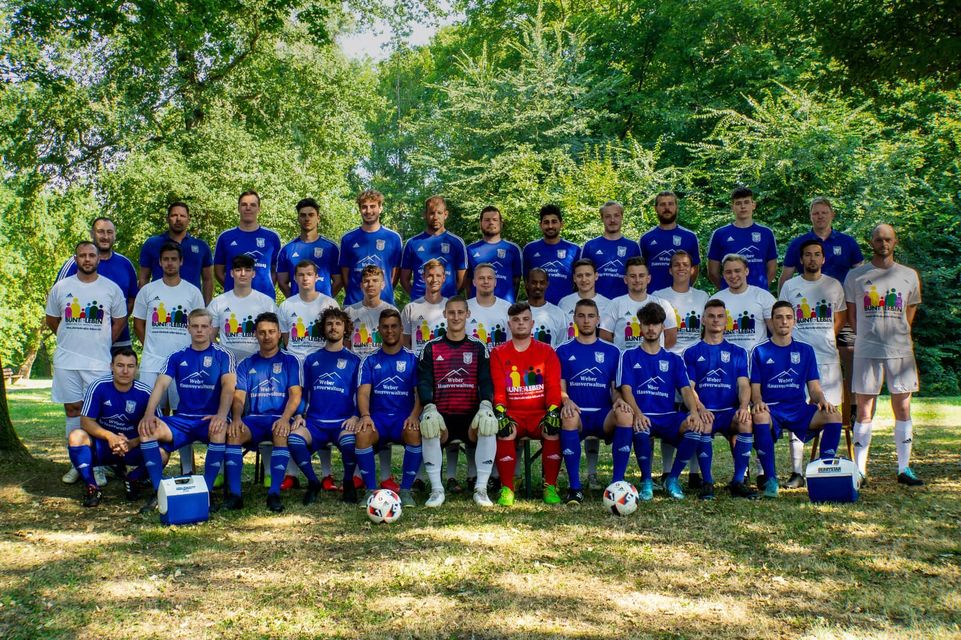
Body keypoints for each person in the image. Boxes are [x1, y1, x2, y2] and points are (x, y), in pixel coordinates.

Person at [843, 224, 923, 485]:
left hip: (900, 350)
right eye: (879, 239)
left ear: (895, 242)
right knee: (864, 409)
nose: (883, 243)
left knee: (902, 406)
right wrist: (870, 335)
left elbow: (909, 313)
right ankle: (859, 470)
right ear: (872, 242)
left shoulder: (908, 275)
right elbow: (852, 317)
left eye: (888, 239)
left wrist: (896, 332)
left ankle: (903, 468)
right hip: (867, 350)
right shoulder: (856, 276)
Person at [136, 308, 236, 512]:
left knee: (219, 430)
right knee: (147, 430)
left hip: (209, 419)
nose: (200, 330)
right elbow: (161, 385)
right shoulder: (177, 356)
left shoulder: (223, 355)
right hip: (182, 420)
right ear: (188, 328)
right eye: (195, 326)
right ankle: (159, 492)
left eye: (204, 326)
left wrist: (221, 414)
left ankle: (206, 493)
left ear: (211, 329)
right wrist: (148, 415)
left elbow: (229, 387)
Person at [47, 241, 128, 486]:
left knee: (97, 414)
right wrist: (69, 340)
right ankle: (77, 463)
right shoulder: (61, 287)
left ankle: (99, 465)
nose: (87, 259)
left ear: (98, 259)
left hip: (97, 362)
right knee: (72, 411)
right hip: (66, 361)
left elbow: (120, 321)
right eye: (82, 255)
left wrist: (101, 342)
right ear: (76, 258)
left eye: (91, 255)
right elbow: (52, 320)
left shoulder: (111, 289)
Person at [750, 301, 844, 498]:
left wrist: (822, 400)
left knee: (834, 416)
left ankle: (824, 472)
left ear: (794, 321)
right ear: (772, 322)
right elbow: (755, 389)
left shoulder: (805, 350)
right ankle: (771, 480)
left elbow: (814, 387)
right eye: (779, 317)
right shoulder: (759, 351)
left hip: (798, 408)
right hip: (772, 409)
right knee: (758, 417)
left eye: (788, 317)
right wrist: (758, 402)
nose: (784, 321)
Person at [616, 303, 706, 501]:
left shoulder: (673, 359)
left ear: (662, 327)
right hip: (643, 414)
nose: (651, 328)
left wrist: (693, 411)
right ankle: (647, 481)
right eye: (647, 324)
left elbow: (685, 389)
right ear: (640, 326)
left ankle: (672, 479)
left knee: (695, 428)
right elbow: (626, 389)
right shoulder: (629, 356)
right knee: (641, 428)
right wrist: (638, 412)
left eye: (655, 324)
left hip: (668, 417)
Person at [132, 241, 206, 474]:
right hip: (152, 361)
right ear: (160, 262)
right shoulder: (148, 291)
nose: (170, 263)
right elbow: (139, 323)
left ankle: (187, 469)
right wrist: (151, 346)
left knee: (182, 415)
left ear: (181, 261)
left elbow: (199, 326)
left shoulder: (192, 292)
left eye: (174, 259)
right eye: (166, 259)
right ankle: (151, 468)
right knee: (149, 413)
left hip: (183, 365)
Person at [778, 238, 846, 487]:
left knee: (831, 413)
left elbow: (839, 319)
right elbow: (783, 319)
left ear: (824, 258)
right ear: (801, 259)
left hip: (827, 359)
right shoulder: (789, 286)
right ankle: (797, 472)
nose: (812, 259)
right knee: (798, 414)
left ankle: (824, 468)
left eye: (817, 254)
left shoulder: (834, 285)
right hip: (797, 361)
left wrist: (824, 338)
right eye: (807, 255)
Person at [417, 298, 498, 507]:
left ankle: (481, 489)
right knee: (428, 423)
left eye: (460, 312)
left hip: (470, 417)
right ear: (445, 314)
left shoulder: (478, 347)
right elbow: (424, 381)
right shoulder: (431, 347)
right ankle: (436, 490)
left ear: (467, 314)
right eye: (451, 312)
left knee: (488, 423)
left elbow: (486, 380)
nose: (455, 317)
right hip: (442, 415)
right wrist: (429, 406)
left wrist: (486, 405)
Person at [225, 312, 303, 512]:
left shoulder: (290, 361)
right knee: (234, 434)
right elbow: (239, 397)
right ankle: (235, 495)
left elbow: (296, 394)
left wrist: (286, 419)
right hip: (254, 420)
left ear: (279, 334)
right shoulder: (246, 364)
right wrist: (235, 418)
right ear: (256, 336)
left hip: (279, 417)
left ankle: (274, 494)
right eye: (262, 332)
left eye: (271, 331)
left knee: (280, 432)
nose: (267, 336)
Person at [490, 302, 564, 506]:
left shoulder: (547, 351)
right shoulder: (498, 353)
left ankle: (550, 486)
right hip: (513, 413)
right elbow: (498, 388)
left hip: (540, 413)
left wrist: (552, 411)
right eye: (516, 320)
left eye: (525, 320)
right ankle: (507, 488)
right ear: (509, 325)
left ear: (532, 324)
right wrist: (500, 412)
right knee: (505, 431)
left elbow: (552, 387)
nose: (521, 323)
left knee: (553, 430)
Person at [684, 299, 757, 499]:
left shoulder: (738, 352)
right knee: (704, 424)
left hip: (728, 411)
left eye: (720, 316)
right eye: (711, 316)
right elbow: (689, 387)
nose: (716, 320)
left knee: (746, 420)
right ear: (703, 321)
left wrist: (743, 407)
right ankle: (707, 482)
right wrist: (700, 408)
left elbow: (743, 384)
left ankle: (739, 481)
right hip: (706, 410)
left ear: (726, 321)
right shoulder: (691, 352)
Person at [556, 299, 626, 504]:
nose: (586, 321)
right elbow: (560, 388)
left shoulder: (612, 351)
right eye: (581, 316)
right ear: (574, 319)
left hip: (603, 414)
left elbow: (615, 389)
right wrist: (566, 401)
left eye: (590, 316)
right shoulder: (562, 350)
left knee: (625, 414)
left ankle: (617, 485)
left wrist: (619, 400)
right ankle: (575, 487)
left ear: (598, 319)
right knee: (568, 418)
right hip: (578, 413)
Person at [68, 348, 157, 506]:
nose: (125, 371)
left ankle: (133, 479)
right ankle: (92, 486)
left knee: (162, 452)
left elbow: (157, 427)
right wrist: (110, 436)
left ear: (136, 368)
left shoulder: (145, 392)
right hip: (104, 445)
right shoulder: (99, 386)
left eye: (130, 366)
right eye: (120, 365)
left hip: (132, 446)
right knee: (76, 436)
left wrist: (132, 442)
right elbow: (86, 421)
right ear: (111, 366)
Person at [293, 308, 363, 504]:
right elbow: (304, 392)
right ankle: (313, 482)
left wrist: (356, 415)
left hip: (343, 422)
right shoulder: (311, 359)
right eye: (329, 323)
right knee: (294, 440)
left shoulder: (355, 360)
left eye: (338, 323)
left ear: (345, 328)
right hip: (315, 423)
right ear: (323, 328)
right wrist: (299, 414)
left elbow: (361, 394)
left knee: (351, 444)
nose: (334, 327)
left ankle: (348, 482)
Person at [356, 309, 423, 507]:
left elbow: (420, 393)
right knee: (363, 434)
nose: (390, 330)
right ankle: (370, 491)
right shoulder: (369, 360)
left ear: (402, 329)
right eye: (385, 327)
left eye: (394, 326)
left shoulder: (413, 359)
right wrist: (365, 415)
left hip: (403, 418)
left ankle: (406, 490)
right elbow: (363, 393)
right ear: (379, 330)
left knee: (413, 431)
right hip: (378, 418)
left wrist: (414, 416)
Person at [56, 217, 138, 348]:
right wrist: (69, 337)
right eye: (100, 232)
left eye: (109, 232)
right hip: (81, 345)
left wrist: (114, 332)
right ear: (92, 234)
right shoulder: (74, 264)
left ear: (115, 235)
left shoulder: (125, 264)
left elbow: (131, 300)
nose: (105, 236)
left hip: (120, 343)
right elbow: (55, 302)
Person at [207, 255, 280, 364]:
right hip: (227, 366)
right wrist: (221, 358)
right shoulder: (218, 303)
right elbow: (209, 335)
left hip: (259, 365)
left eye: (247, 270)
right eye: (238, 270)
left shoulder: (267, 303)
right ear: (231, 273)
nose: (243, 274)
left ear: (253, 273)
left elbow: (276, 335)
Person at [779, 197, 864, 290]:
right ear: (810, 217)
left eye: (824, 212)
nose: (820, 216)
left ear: (832, 215)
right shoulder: (797, 244)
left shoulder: (848, 242)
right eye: (816, 213)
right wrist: (781, 303)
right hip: (806, 300)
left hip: (841, 300)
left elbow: (861, 276)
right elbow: (785, 278)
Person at [138, 201, 214, 303]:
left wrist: (207, 308)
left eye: (182, 216)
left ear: (188, 220)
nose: (178, 219)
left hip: (192, 305)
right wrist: (144, 304)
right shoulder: (152, 244)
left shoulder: (201, 246)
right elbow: (143, 278)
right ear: (167, 219)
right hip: (159, 303)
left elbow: (208, 279)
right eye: (174, 215)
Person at [339, 189, 403, 306]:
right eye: (364, 207)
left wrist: (382, 292)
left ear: (380, 208)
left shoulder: (393, 238)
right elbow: (345, 274)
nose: (368, 211)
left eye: (372, 206)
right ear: (359, 209)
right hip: (354, 304)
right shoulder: (348, 238)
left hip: (384, 304)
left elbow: (394, 275)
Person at [213, 190, 282, 297]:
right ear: (238, 208)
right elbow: (218, 272)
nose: (248, 208)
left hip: (264, 299)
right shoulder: (225, 237)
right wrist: (232, 287)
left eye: (253, 205)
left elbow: (277, 271)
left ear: (259, 209)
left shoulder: (272, 237)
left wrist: (265, 288)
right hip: (233, 299)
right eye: (244, 204)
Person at [707, 187, 777, 291]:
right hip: (730, 295)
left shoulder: (766, 233)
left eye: (746, 202)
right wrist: (726, 289)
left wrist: (761, 289)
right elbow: (713, 272)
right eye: (738, 203)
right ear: (732, 207)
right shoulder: (720, 234)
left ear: (753, 205)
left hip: (758, 295)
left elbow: (772, 269)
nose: (743, 206)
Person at [599, 257, 677, 351]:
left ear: (648, 279)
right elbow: (604, 336)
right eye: (632, 276)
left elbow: (671, 337)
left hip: (654, 363)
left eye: (641, 276)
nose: (637, 280)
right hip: (626, 363)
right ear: (625, 279)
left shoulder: (663, 304)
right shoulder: (615, 304)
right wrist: (620, 355)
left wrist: (655, 354)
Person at [400, 195, 467, 299]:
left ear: (445, 214)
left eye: (439, 213)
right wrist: (417, 297)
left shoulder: (456, 242)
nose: (435, 217)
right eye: (431, 213)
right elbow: (404, 279)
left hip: (447, 305)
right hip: (420, 303)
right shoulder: (412, 243)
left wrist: (449, 297)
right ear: (425, 215)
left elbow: (462, 280)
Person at [277, 197, 341, 298]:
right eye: (303, 215)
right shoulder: (287, 249)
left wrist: (326, 300)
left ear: (318, 218)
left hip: (323, 308)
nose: (307, 218)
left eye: (311, 215)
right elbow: (282, 282)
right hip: (298, 308)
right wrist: (294, 301)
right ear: (298, 218)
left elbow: (338, 281)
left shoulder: (331, 248)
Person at [711, 255, 776, 354]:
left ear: (746, 271)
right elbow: (710, 336)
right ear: (723, 275)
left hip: (757, 359)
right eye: (728, 272)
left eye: (737, 271)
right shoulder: (715, 300)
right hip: (726, 358)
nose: (733, 276)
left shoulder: (763, 296)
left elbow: (777, 331)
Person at [639, 191, 701, 294]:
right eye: (662, 204)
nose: (667, 208)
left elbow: (694, 269)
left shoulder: (690, 237)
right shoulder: (646, 238)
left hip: (681, 297)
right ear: (656, 208)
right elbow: (641, 269)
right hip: (652, 296)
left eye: (670, 204)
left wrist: (684, 290)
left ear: (676, 207)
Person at [278, 260, 339, 360]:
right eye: (301, 275)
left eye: (309, 274)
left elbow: (335, 335)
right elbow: (286, 337)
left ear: (316, 277)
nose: (305, 278)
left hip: (322, 360)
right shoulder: (286, 305)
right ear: (295, 278)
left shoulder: (330, 304)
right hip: (295, 362)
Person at [652, 251, 710, 355]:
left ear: (692, 270)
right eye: (676, 265)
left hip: (695, 356)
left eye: (685, 265)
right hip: (667, 355)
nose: (681, 268)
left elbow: (708, 328)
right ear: (670, 270)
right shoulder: (658, 296)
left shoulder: (703, 296)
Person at [522, 204, 581, 304]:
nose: (550, 226)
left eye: (554, 222)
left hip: (566, 308)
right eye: (546, 222)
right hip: (538, 308)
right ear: (540, 225)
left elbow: (578, 282)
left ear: (561, 224)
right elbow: (526, 281)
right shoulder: (530, 249)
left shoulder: (574, 250)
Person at [582, 201, 641, 299]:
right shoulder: (590, 246)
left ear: (622, 217)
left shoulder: (633, 246)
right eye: (608, 216)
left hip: (624, 302)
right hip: (596, 303)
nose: (612, 220)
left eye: (616, 215)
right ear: (602, 219)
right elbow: (582, 275)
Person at [466, 206, 522, 302]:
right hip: (477, 306)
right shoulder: (470, 249)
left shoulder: (513, 249)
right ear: (480, 224)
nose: (491, 223)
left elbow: (516, 281)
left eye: (495, 220)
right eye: (487, 220)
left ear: (501, 223)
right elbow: (467, 281)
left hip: (506, 307)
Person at [345, 265, 399, 359]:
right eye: (366, 281)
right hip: (357, 365)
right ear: (361, 285)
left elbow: (397, 343)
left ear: (382, 285)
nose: (370, 284)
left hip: (383, 365)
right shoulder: (349, 312)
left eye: (375, 280)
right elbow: (346, 345)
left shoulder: (392, 311)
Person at [401, 259, 448, 356]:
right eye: (430, 275)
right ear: (423, 277)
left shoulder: (451, 307)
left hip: (444, 365)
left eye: (438, 275)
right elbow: (405, 343)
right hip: (418, 366)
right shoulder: (410, 308)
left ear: (444, 278)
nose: (434, 279)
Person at [558, 259, 612, 341]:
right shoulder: (564, 302)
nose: (584, 279)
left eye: (588, 275)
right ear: (574, 278)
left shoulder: (608, 304)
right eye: (579, 276)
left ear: (596, 276)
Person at [466, 263, 511, 351]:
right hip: (473, 362)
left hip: (500, 362)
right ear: (474, 282)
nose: (486, 281)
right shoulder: (464, 307)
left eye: (490, 278)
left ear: (495, 282)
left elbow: (511, 341)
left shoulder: (507, 308)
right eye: (481, 278)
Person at [524, 268, 567, 348]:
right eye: (534, 282)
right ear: (527, 284)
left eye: (542, 283)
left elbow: (561, 346)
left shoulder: (558, 313)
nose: (538, 286)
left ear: (547, 284)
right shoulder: (517, 310)